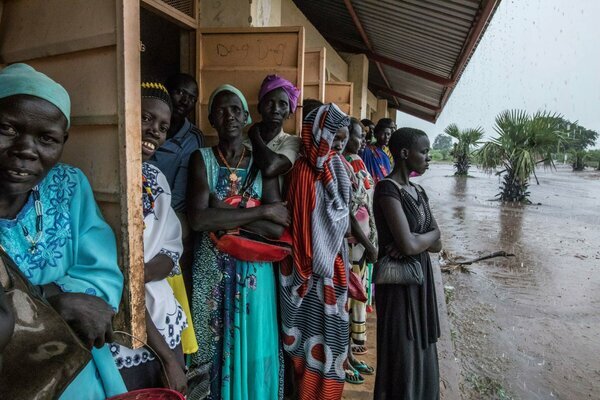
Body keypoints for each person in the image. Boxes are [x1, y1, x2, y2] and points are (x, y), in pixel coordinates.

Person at [0, 63, 126, 398]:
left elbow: (100, 272)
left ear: (63, 141)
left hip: (75, 368)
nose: (26, 149)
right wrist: (54, 302)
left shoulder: (69, 185)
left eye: (46, 138)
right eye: (8, 129)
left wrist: (69, 301)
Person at [187, 84, 289, 399]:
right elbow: (199, 220)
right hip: (211, 273)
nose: (229, 115)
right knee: (210, 343)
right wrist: (262, 210)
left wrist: (223, 211)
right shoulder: (201, 158)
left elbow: (276, 230)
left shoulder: (261, 163)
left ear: (246, 117)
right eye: (221, 109)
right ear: (210, 119)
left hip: (254, 274)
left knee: (254, 344)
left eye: (235, 109)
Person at [109, 82, 189, 394]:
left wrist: (137, 275)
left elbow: (171, 250)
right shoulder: (103, 180)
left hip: (163, 317)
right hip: (124, 328)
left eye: (163, 126)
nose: (154, 130)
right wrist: (168, 359)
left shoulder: (155, 178)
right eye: (145, 118)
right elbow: (115, 275)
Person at [279, 103, 352, 400]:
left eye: (340, 140)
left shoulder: (333, 166)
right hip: (309, 269)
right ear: (316, 134)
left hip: (321, 271)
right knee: (309, 340)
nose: (335, 145)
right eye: (332, 137)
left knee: (323, 341)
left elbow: (340, 218)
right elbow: (341, 219)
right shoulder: (301, 168)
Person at [372, 128, 442, 400]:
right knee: (402, 348)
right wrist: (419, 240)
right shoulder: (387, 189)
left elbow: (438, 242)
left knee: (422, 348)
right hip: (399, 284)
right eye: (423, 152)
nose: (428, 157)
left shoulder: (418, 191)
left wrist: (419, 238)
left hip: (421, 282)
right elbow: (409, 245)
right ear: (404, 153)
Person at [342, 118, 377, 382]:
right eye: (358, 135)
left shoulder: (357, 162)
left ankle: (349, 355)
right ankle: (345, 356)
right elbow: (349, 211)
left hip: (360, 243)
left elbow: (366, 201)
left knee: (355, 293)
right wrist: (367, 243)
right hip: (349, 245)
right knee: (347, 299)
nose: (361, 140)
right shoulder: (343, 164)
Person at [149, 73, 204, 213]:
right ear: (166, 90)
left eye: (192, 98)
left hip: (167, 212)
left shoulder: (192, 138)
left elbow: (180, 195)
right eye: (179, 92)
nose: (185, 101)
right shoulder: (145, 124)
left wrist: (157, 217)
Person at [246, 74, 301, 180]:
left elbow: (270, 167)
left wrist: (254, 136)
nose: (275, 109)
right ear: (259, 108)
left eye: (283, 104)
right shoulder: (243, 142)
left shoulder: (292, 142)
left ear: (290, 113)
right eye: (269, 103)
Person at [361, 118, 394, 184]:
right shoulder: (367, 150)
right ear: (376, 134)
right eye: (384, 134)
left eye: (388, 134)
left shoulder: (385, 155)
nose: (387, 137)